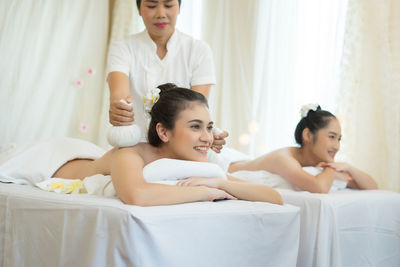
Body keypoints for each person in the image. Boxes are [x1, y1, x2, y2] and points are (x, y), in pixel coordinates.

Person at [53, 84, 283, 206]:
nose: (207, 137)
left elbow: (274, 197)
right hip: (61, 163)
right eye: (195, 127)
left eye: (209, 127)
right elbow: (137, 196)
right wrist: (205, 192)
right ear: (163, 131)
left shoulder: (194, 158)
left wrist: (218, 181)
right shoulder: (129, 153)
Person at [107, 0, 227, 152]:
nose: (161, 14)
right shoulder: (122, 48)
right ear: (138, 9)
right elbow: (120, 98)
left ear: (179, 8)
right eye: (151, 6)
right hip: (136, 147)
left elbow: (197, 110)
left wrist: (208, 133)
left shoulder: (198, 50)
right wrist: (120, 112)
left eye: (169, 6)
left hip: (182, 148)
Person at [228, 105, 378, 193]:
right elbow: (319, 187)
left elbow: (372, 187)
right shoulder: (284, 159)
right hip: (229, 170)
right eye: (331, 137)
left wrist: (349, 167)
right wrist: (331, 168)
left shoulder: (318, 162)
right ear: (307, 135)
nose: (336, 146)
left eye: (339, 139)